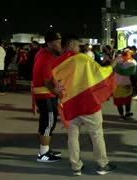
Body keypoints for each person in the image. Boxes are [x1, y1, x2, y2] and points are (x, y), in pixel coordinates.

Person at [51, 34, 117, 176]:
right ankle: (102, 164)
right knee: (96, 135)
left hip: (70, 104)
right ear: (70, 45)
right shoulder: (81, 58)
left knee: (72, 136)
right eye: (77, 45)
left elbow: (55, 84)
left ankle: (76, 167)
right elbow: (99, 73)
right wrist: (112, 65)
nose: (79, 48)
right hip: (88, 104)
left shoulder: (56, 63)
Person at [32, 31, 62, 162]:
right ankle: (43, 153)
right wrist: (59, 93)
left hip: (43, 94)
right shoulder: (46, 58)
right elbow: (48, 82)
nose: (61, 45)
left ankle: (45, 150)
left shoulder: (42, 54)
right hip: (46, 95)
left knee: (46, 122)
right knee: (49, 123)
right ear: (49, 44)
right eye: (58, 42)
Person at [113, 48, 137, 120]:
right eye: (125, 52)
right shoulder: (118, 59)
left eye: (128, 52)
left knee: (127, 100)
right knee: (119, 101)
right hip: (117, 83)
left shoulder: (132, 62)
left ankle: (127, 112)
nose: (126, 54)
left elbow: (132, 72)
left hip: (126, 83)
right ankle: (121, 115)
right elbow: (113, 66)